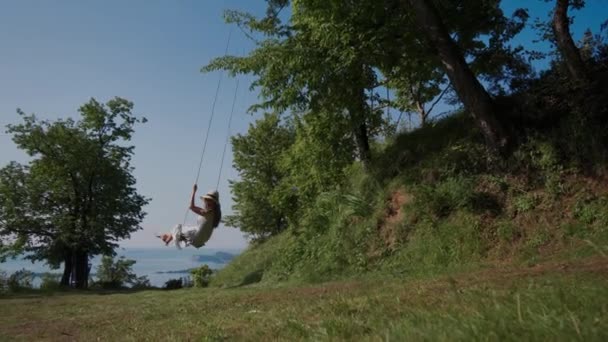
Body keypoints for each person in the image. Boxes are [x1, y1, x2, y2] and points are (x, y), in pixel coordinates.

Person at [157, 184, 221, 249]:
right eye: (207, 200)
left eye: (210, 200)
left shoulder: (209, 212)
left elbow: (191, 207)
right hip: (201, 239)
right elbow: (194, 208)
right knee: (179, 231)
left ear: (215, 203)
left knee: (177, 228)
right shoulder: (214, 213)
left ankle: (167, 238)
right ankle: (167, 237)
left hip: (197, 237)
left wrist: (194, 191)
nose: (208, 202)